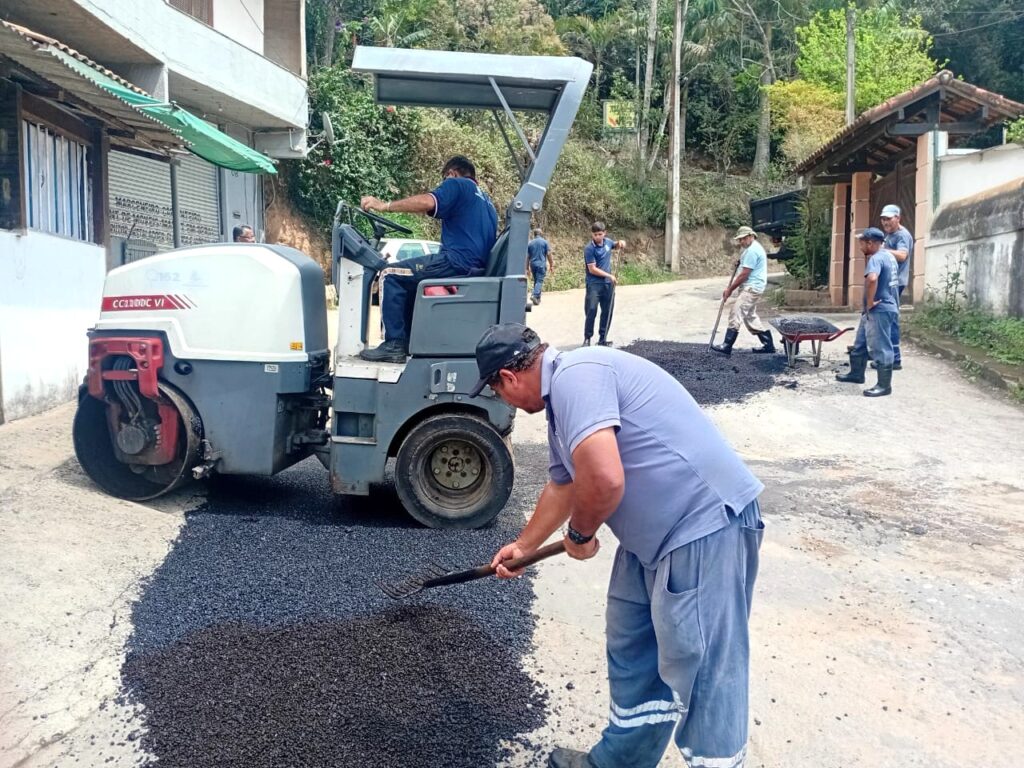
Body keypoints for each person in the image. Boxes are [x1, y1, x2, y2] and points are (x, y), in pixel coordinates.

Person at [470, 323, 765, 768]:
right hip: (649, 541)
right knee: (633, 649)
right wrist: (524, 547)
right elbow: (564, 485)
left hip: (702, 527)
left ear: (508, 378)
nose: (504, 401)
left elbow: (605, 479)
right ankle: (620, 761)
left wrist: (580, 534)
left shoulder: (578, 376)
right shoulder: (561, 406)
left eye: (497, 392)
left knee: (703, 666)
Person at [358, 155, 498, 363]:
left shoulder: (458, 184)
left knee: (389, 274)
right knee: (408, 280)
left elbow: (427, 202)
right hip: (474, 266)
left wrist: (383, 205)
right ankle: (407, 341)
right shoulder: (486, 202)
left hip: (456, 262)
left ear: (451, 173)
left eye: (444, 179)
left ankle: (394, 344)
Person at [836, 227, 900, 397]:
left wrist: (870, 302)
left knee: (881, 347)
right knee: (860, 343)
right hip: (879, 309)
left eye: (862, 243)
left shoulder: (876, 258)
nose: (860, 247)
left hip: (879, 309)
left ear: (870, 243)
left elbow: (872, 279)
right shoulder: (889, 256)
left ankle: (884, 386)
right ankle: (856, 374)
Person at [711, 226, 773, 356]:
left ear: (751, 236)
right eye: (740, 239)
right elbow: (746, 265)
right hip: (754, 286)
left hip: (751, 287)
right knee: (750, 316)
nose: (741, 242)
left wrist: (730, 289)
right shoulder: (751, 248)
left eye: (743, 239)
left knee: (736, 312)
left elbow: (744, 274)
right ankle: (768, 344)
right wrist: (740, 262)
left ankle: (727, 345)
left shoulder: (752, 251)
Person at [879, 204, 913, 370]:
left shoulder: (902, 235)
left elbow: (902, 255)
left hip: (895, 283)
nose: (885, 222)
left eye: (889, 219)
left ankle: (894, 359)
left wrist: (882, 250)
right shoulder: (890, 234)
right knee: (883, 318)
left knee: (890, 319)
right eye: (883, 219)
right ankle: (885, 356)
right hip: (889, 282)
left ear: (898, 218)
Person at [583, 222, 626, 347]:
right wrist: (609, 276)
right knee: (591, 310)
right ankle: (587, 339)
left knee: (607, 311)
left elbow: (616, 245)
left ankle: (603, 339)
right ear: (592, 234)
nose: (597, 237)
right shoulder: (589, 248)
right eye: (595, 234)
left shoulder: (607, 242)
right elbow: (592, 269)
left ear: (604, 233)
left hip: (608, 285)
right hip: (594, 285)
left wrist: (621, 242)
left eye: (600, 234)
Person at [527, 228, 554, 305]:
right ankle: (534, 295)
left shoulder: (530, 243)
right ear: (541, 234)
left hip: (533, 264)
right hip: (541, 264)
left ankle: (537, 299)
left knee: (536, 281)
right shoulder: (544, 242)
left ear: (534, 234)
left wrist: (527, 268)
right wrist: (551, 264)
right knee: (539, 281)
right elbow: (549, 254)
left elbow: (527, 257)